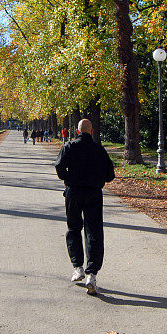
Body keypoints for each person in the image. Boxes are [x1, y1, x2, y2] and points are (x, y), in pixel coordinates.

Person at [54, 118, 116, 295]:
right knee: (94, 231)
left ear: (77, 130)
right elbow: (110, 174)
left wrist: (68, 178)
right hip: (93, 193)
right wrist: (98, 179)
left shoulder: (69, 147)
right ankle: (92, 273)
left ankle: (77, 267)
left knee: (73, 228)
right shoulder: (99, 150)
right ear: (92, 130)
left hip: (73, 192)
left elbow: (59, 167)